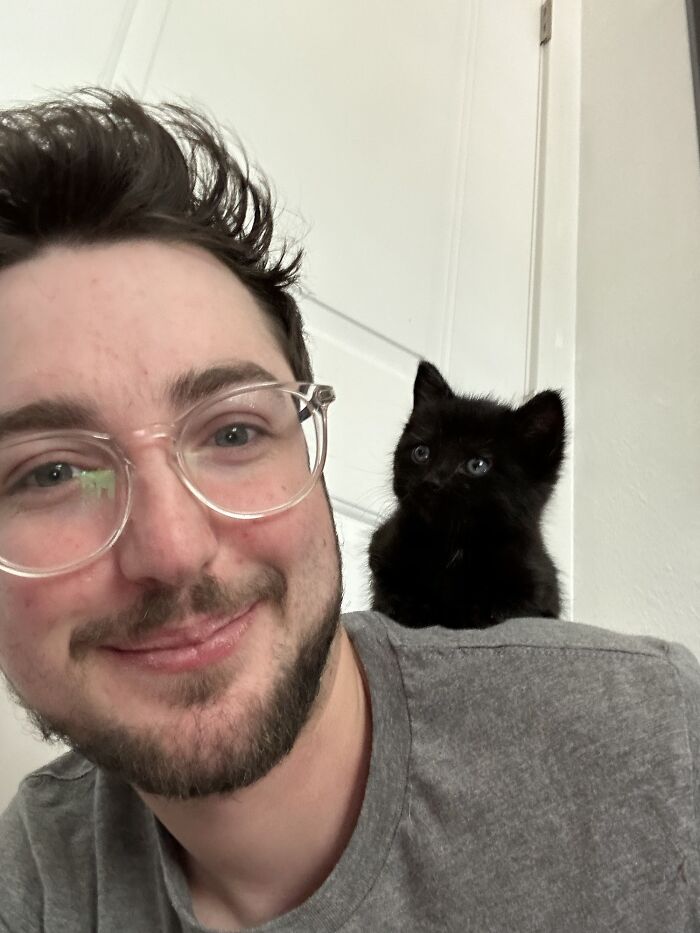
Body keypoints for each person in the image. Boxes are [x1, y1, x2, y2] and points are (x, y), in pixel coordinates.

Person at [0, 90, 698, 933]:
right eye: (54, 472)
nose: (175, 550)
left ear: (308, 448)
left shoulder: (659, 750)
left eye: (231, 430)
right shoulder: (35, 869)